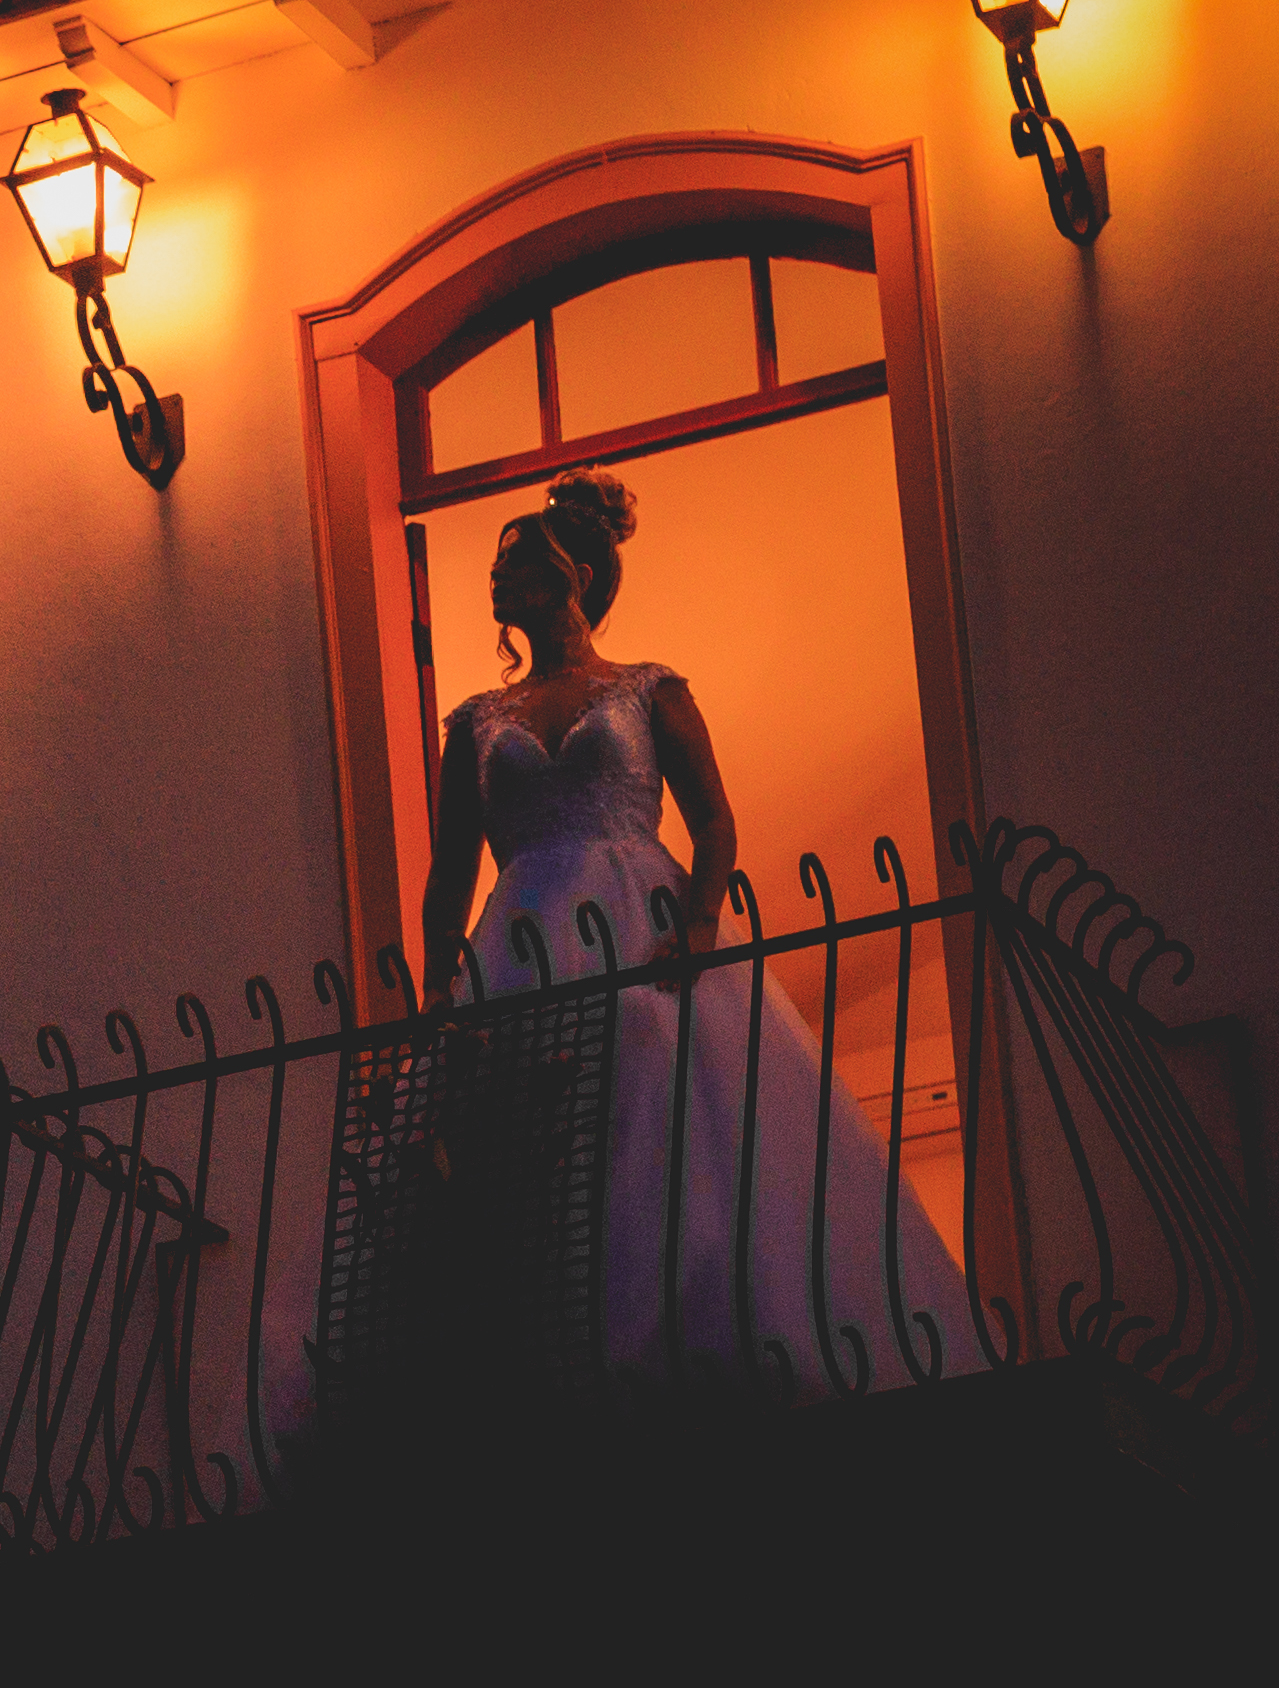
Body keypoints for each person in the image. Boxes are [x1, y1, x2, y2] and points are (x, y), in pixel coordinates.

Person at [402, 469, 976, 1398]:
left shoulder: (648, 690)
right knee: (522, 1139)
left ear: (572, 571)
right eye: (495, 570)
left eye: (517, 562)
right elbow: (448, 871)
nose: (498, 582)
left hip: (639, 915)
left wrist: (701, 921)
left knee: (662, 1100)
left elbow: (713, 819)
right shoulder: (474, 723)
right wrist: (434, 988)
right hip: (519, 941)